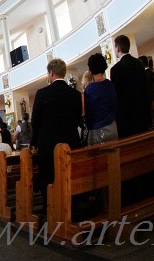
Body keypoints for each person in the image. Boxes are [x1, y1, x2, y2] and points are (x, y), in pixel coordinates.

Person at [30, 58, 82, 210]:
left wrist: (34, 142)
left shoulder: (42, 93)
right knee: (69, 174)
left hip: (48, 145)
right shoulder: (75, 94)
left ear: (51, 73)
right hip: (71, 142)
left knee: (48, 176)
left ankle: (51, 208)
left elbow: (36, 122)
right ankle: (71, 206)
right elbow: (78, 118)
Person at [110, 35, 153, 138]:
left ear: (118, 48)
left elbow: (117, 95)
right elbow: (144, 87)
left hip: (126, 117)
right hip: (142, 113)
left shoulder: (116, 69)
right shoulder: (139, 64)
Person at [83, 53, 118, 146]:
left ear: (90, 70)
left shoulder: (89, 89)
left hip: (97, 131)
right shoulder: (110, 85)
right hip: (112, 128)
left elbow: (88, 112)